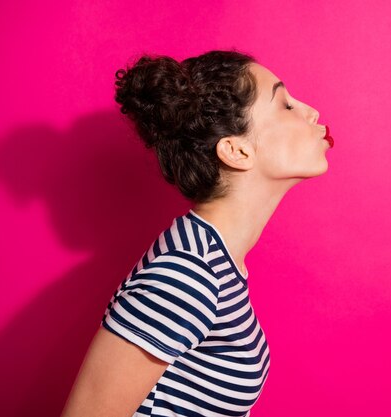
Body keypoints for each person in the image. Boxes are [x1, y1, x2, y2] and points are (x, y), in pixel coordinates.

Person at [61, 49, 333, 417]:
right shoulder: (188, 272)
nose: (311, 112)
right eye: (285, 105)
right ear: (237, 150)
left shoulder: (213, 260)